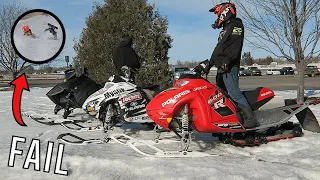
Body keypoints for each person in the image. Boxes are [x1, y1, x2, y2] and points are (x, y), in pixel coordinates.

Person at [199, 2, 259, 129]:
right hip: (222, 66)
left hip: (230, 66)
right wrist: (209, 64)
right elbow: (219, 49)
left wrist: (227, 60)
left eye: (217, 13)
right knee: (221, 94)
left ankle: (250, 119)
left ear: (225, 11)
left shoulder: (236, 25)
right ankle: (228, 118)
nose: (216, 15)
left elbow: (235, 45)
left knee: (234, 92)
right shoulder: (226, 28)